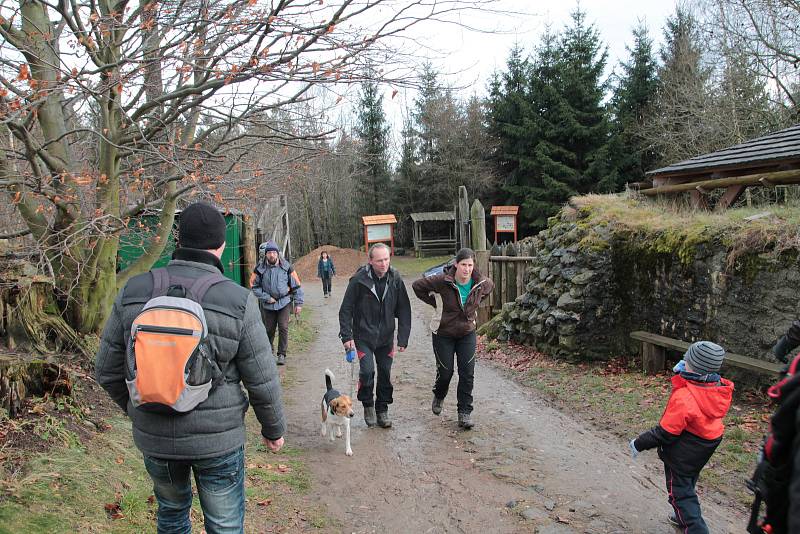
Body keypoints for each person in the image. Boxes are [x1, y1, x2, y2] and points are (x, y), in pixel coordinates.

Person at [95, 201, 286, 533]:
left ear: (178, 240)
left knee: (170, 514)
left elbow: (107, 371)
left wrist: (141, 408)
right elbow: (262, 379)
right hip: (218, 441)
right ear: (221, 244)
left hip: (155, 439)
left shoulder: (134, 290)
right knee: (224, 524)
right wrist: (273, 430)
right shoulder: (237, 300)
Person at [629, 341, 734, 534]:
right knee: (689, 481)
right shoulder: (716, 388)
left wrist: (638, 443)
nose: (683, 362)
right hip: (705, 445)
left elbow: (665, 432)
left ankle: (695, 529)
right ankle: (681, 516)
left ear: (692, 365)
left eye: (687, 359)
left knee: (680, 494)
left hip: (683, 453)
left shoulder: (685, 396)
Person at [412, 248, 493, 429]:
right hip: (443, 333)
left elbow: (489, 287)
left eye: (470, 265)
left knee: (467, 373)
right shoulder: (443, 281)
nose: (467, 269)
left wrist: (474, 305)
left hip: (467, 332)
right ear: (456, 264)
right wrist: (435, 302)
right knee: (446, 373)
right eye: (463, 265)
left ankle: (464, 413)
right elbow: (417, 286)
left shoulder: (480, 283)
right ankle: (439, 395)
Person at [338, 243, 411, 428]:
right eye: (379, 260)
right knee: (368, 371)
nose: (384, 264)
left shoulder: (395, 278)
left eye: (386, 259)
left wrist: (403, 337)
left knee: (385, 374)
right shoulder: (359, 280)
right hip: (363, 337)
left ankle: (382, 409)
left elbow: (404, 309)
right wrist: (347, 337)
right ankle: (368, 405)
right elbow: (345, 309)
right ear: (370, 261)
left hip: (386, 338)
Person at [252, 240, 304, 366]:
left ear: (277, 253)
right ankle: (269, 351)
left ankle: (282, 354)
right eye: (269, 253)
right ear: (266, 254)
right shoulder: (260, 268)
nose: (271, 255)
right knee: (269, 329)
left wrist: (298, 303)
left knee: (283, 327)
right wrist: (266, 297)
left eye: (273, 252)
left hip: (284, 302)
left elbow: (296, 285)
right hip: (268, 304)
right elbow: (253, 286)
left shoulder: (287, 267)